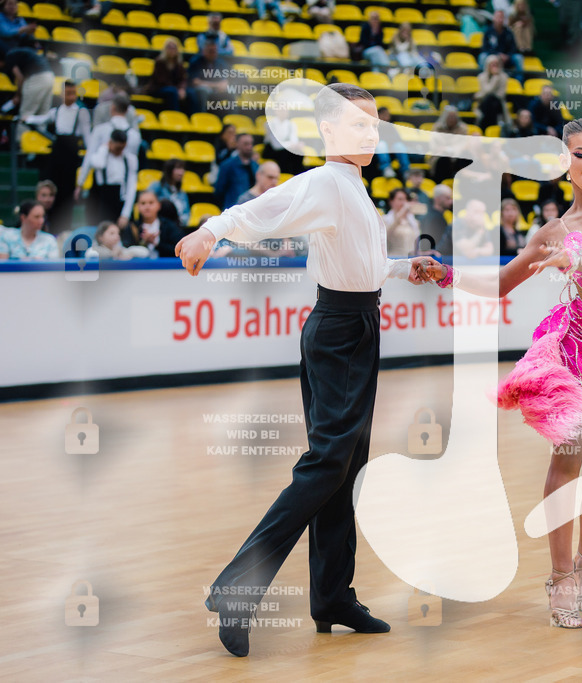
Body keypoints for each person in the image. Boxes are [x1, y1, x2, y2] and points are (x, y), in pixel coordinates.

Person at [175, 82, 434, 657]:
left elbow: (358, 264)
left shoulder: (351, 190)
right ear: (328, 133)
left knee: (344, 466)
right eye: (358, 125)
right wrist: (209, 231)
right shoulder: (324, 182)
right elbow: (264, 209)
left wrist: (402, 267)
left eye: (374, 124)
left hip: (354, 325)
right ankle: (238, 587)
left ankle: (333, 597)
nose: (371, 134)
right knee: (325, 466)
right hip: (340, 332)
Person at [419, 118, 582, 630]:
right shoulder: (550, 233)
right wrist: (449, 273)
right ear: (564, 164)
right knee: (567, 460)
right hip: (574, 350)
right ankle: (560, 578)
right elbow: (503, 284)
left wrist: (581, 256)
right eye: (580, 154)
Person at [22, 80, 90, 234]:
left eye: (73, 93)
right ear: (61, 94)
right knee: (50, 191)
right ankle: (45, 225)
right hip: (57, 156)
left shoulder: (81, 112)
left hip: (71, 157)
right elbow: (42, 119)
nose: (70, 96)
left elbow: (87, 138)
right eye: (67, 93)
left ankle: (63, 229)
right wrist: (28, 118)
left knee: (66, 194)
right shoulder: (56, 111)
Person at [76, 129, 138, 228]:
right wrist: (104, 148)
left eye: (122, 148)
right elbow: (99, 164)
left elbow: (131, 187)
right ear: (110, 142)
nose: (119, 151)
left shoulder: (130, 159)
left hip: (118, 198)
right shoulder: (100, 155)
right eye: (117, 148)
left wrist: (125, 214)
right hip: (101, 199)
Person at [1, 47, 55, 143]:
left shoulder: (9, 57)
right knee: (42, 115)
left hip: (36, 78)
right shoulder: (19, 54)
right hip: (50, 77)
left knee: (25, 115)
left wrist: (18, 95)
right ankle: (39, 148)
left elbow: (20, 78)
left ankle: (19, 147)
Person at [121, 190, 184, 258]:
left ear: (159, 205)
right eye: (143, 203)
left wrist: (157, 243)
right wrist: (143, 243)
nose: (147, 207)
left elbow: (180, 250)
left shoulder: (169, 225)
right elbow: (126, 252)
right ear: (138, 206)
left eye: (151, 203)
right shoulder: (132, 228)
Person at [479, 10, 524, 83]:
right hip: (492, 56)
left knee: (518, 58)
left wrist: (507, 56)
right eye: (498, 17)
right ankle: (481, 79)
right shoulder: (488, 31)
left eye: (502, 17)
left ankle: (519, 82)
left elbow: (513, 48)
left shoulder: (508, 32)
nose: (500, 19)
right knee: (482, 56)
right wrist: (497, 55)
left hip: (506, 58)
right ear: (493, 18)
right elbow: (485, 48)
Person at [215, 133, 258, 209]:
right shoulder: (227, 165)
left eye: (251, 144)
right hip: (233, 208)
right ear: (237, 144)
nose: (249, 147)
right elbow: (219, 191)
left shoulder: (256, 166)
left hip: (252, 208)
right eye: (246, 144)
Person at [187, 40, 232, 114]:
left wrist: (222, 85)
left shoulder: (221, 63)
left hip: (216, 91)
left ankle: (230, 118)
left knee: (230, 91)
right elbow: (195, 82)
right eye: (211, 51)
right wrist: (215, 85)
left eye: (215, 51)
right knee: (203, 90)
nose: (214, 53)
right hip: (199, 90)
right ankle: (202, 115)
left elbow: (225, 81)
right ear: (204, 51)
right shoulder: (196, 62)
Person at [148, 38, 189, 112]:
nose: (172, 50)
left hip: (174, 89)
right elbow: (161, 80)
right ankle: (175, 113)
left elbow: (183, 79)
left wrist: (182, 89)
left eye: (174, 48)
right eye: (170, 47)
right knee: (172, 92)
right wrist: (177, 89)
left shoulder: (179, 64)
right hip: (159, 89)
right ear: (165, 49)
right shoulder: (159, 62)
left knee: (190, 92)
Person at [148, 158, 191, 227]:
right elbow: (147, 200)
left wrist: (182, 221)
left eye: (182, 169)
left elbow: (187, 213)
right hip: (160, 224)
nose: (181, 172)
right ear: (169, 170)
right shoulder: (157, 186)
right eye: (178, 168)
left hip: (178, 225)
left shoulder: (182, 193)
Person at [475, 54, 509, 131]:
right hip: (483, 103)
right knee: (489, 100)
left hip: (498, 103)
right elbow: (485, 92)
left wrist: (495, 78)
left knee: (492, 100)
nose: (494, 66)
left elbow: (500, 95)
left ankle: (485, 128)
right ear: (487, 65)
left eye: (496, 64)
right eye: (492, 64)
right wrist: (495, 79)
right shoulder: (481, 77)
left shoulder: (503, 77)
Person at [384, 187, 419, 257]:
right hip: (394, 258)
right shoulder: (385, 219)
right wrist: (402, 212)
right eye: (400, 199)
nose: (404, 203)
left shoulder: (413, 221)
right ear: (391, 201)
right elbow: (385, 234)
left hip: (411, 260)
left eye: (405, 199)